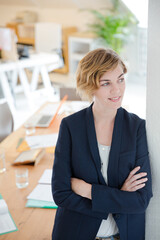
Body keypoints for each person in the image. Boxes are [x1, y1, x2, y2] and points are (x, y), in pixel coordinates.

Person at [51, 48, 152, 240]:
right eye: (106, 83)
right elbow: (61, 193)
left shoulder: (137, 127)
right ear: (90, 86)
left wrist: (88, 191)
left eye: (120, 79)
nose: (117, 90)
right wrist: (119, 196)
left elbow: (141, 200)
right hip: (75, 233)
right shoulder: (71, 126)